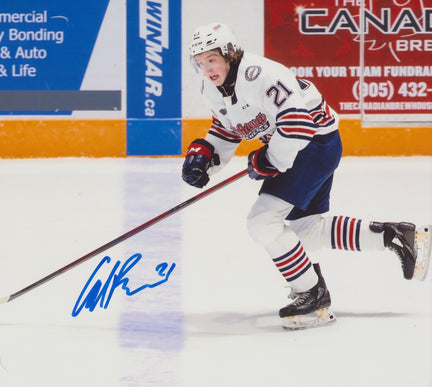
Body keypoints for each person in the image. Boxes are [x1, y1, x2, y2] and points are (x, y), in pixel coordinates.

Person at [181, 22, 431, 330]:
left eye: (212, 59)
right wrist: (205, 157)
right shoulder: (211, 87)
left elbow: (299, 124)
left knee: (262, 223)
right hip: (305, 146)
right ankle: (395, 236)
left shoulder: (259, 76)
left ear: (230, 55)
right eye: (200, 61)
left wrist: (269, 160)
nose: (206, 68)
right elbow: (227, 127)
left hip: (312, 144)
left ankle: (312, 294)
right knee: (304, 232)